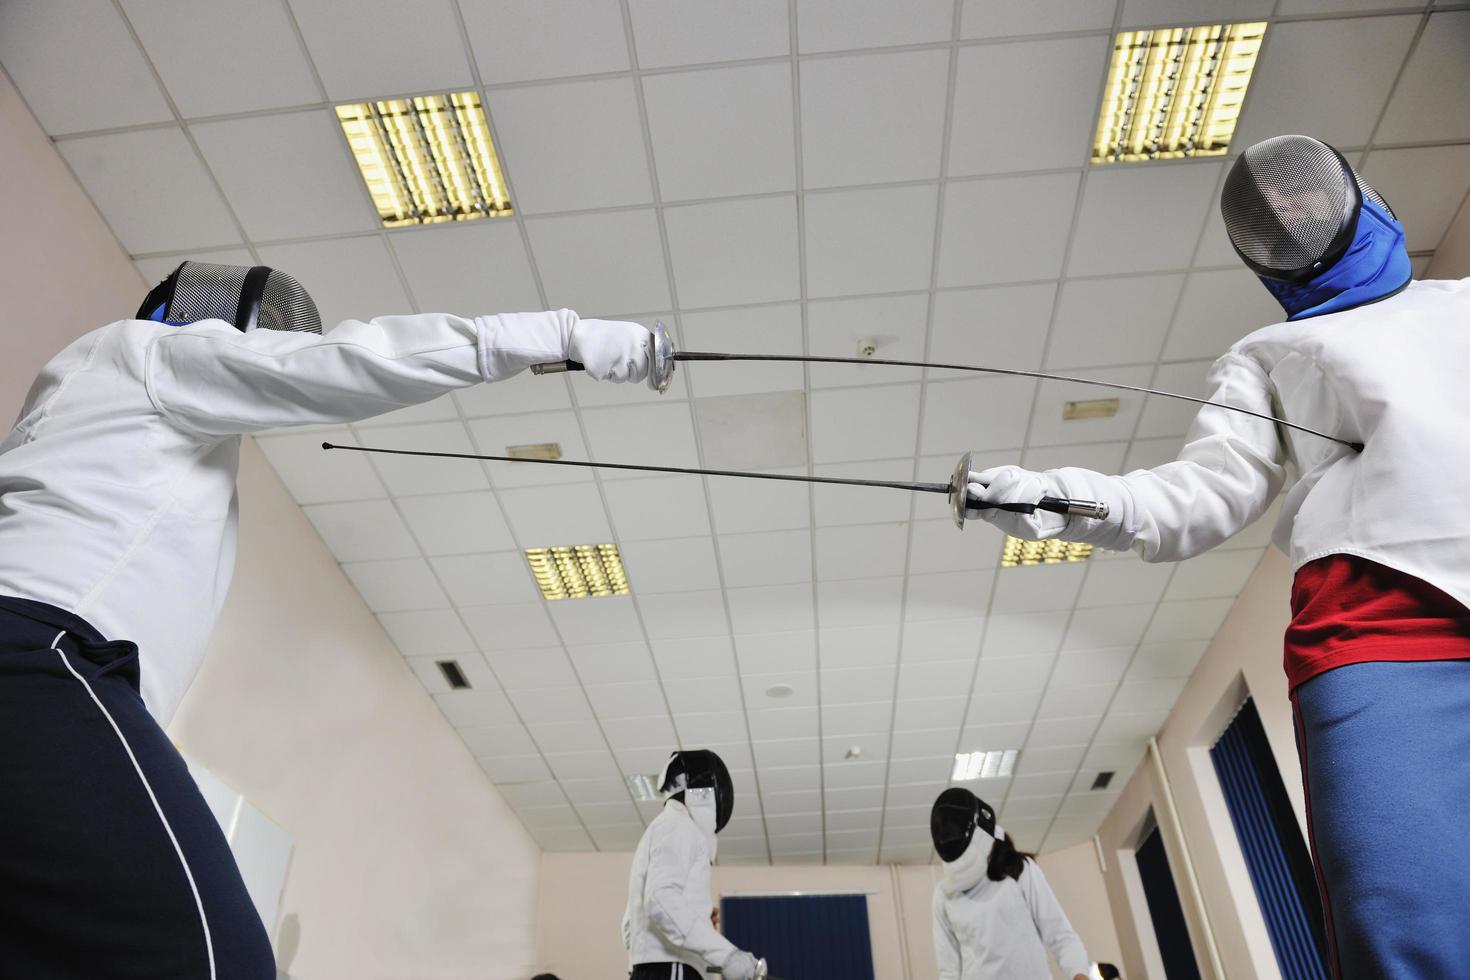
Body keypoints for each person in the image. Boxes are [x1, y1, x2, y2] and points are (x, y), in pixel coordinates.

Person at [0, 260, 653, 979]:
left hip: (46, 676)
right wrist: (555, 335)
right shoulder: (150, 352)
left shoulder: (95, 397)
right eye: (271, 334)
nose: (274, 348)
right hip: (46, 662)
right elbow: (343, 364)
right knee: (217, 962)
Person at [964, 134, 1470, 977]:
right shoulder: (1270, 358)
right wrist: (1051, 499)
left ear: (1356, 197)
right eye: (1276, 219)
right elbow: (1197, 498)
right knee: (1408, 932)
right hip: (1383, 640)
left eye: (1306, 201)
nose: (1294, 216)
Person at [622, 750, 762, 980]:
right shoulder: (680, 825)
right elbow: (660, 899)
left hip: (654, 970)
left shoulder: (660, 829)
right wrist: (727, 956)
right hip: (673, 970)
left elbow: (630, 926)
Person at [930, 787, 1090, 980]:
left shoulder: (1018, 870)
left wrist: (1080, 975)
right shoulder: (944, 895)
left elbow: (1060, 936)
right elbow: (949, 970)